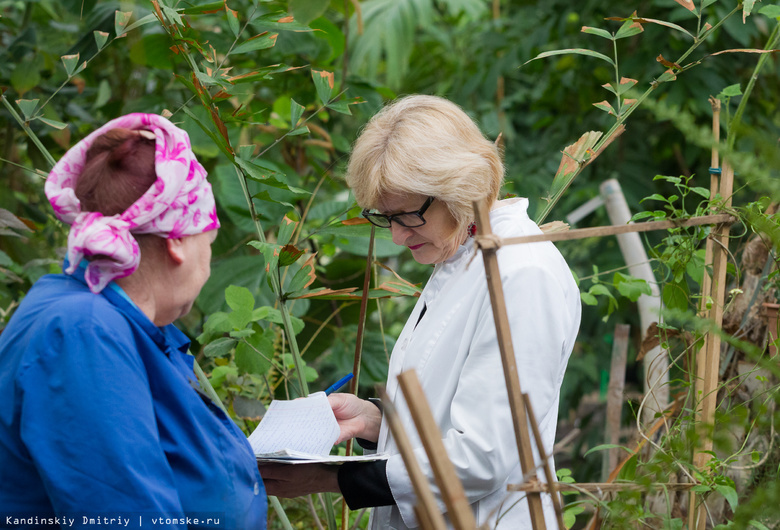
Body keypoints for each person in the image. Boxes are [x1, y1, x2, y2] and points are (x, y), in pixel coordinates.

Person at [259, 95, 581, 528]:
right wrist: (378, 420)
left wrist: (332, 478)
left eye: (406, 215)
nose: (395, 235)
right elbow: (454, 402)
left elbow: (481, 458)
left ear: (458, 186)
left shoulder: (520, 274)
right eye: (384, 217)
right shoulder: (459, 252)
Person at [0, 114, 266, 528]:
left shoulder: (119, 322)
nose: (208, 263)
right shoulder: (82, 332)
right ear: (178, 242)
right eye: (208, 243)